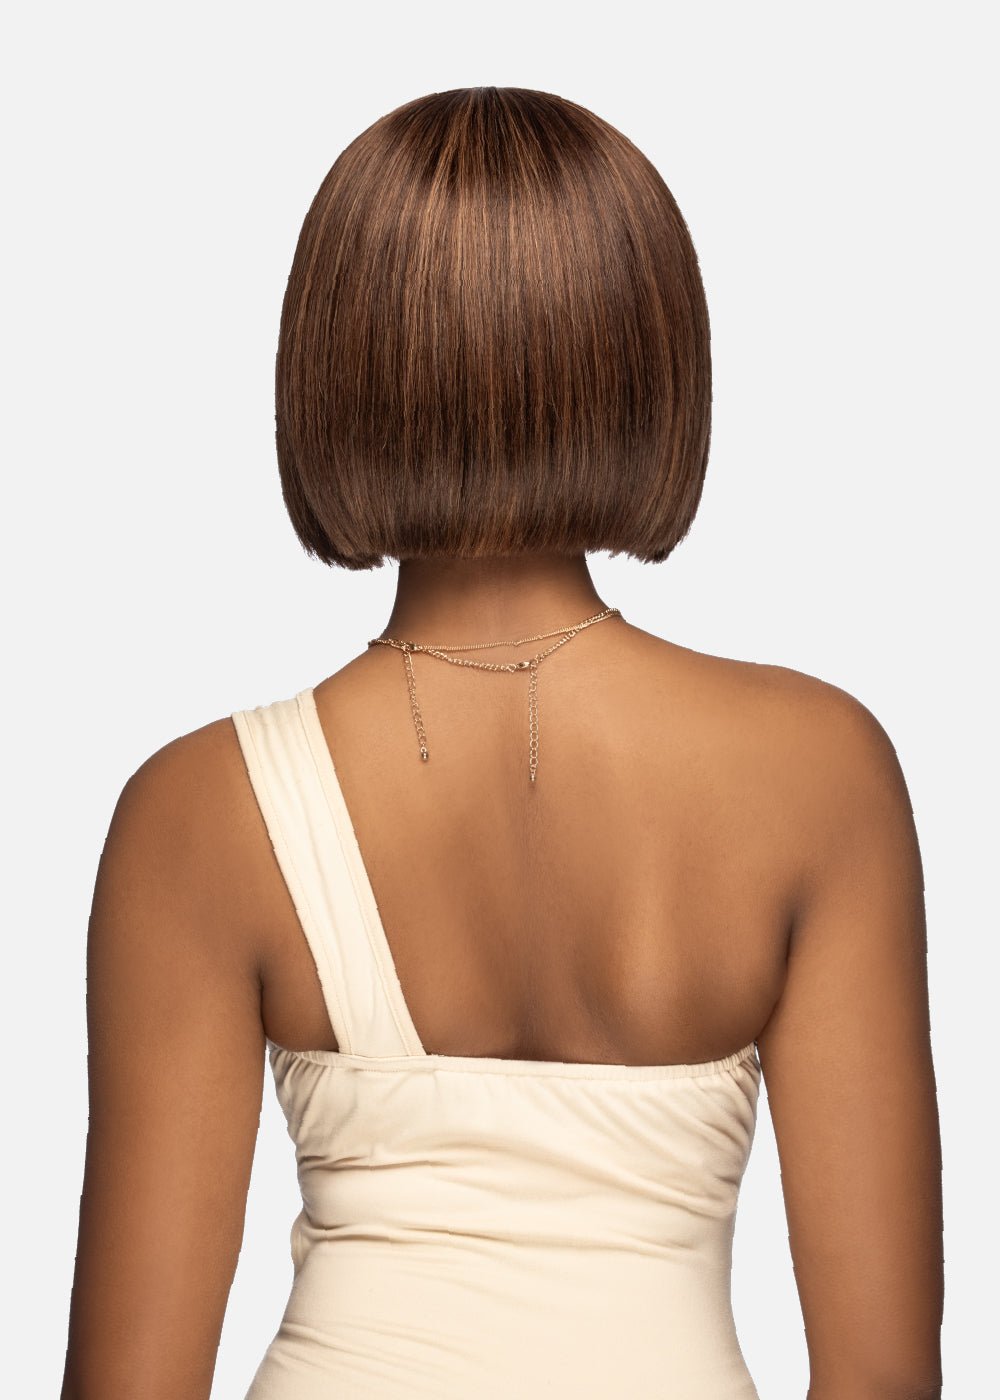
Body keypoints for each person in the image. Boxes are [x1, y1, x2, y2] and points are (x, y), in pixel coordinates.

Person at [60, 86, 944, 1399]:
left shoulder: (198, 810)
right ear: (651, 363)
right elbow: (883, 1376)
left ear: (330, 374)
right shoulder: (818, 772)